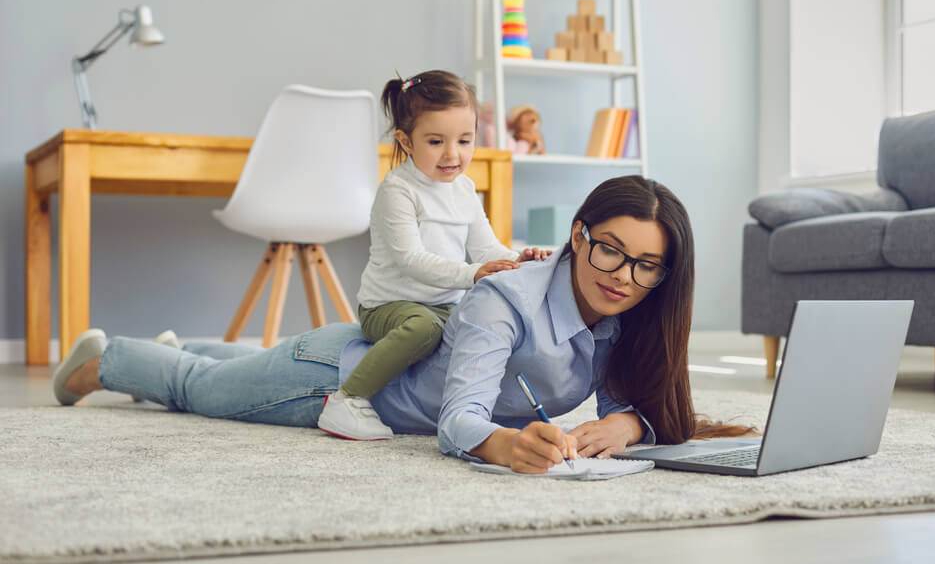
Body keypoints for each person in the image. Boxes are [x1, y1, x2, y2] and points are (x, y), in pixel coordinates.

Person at [53, 175, 751, 474]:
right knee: (201, 392)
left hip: (347, 356)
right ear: (578, 234)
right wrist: (508, 449)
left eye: (647, 266)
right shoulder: (501, 302)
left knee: (233, 367)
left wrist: (625, 424)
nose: (622, 276)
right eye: (609, 250)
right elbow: (459, 422)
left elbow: (641, 399)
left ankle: (193, 349)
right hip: (336, 377)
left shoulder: (626, 312)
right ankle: (105, 359)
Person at [322, 69, 548, 441]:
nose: (452, 154)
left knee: (488, 324)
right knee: (424, 328)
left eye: (464, 140)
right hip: (390, 304)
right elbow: (411, 260)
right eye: (435, 141)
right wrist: (472, 274)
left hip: (444, 305)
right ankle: (347, 399)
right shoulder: (398, 190)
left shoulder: (464, 190)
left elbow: (486, 249)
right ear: (406, 141)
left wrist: (518, 260)